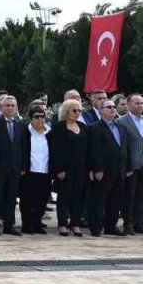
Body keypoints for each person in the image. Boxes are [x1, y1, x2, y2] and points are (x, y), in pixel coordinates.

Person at [117, 94, 143, 235]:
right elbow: (122, 146)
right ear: (128, 104)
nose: (140, 105)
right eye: (137, 103)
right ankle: (128, 224)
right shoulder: (121, 121)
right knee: (129, 195)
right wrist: (126, 166)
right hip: (132, 165)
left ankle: (139, 222)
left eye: (142, 103)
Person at [86, 99, 129, 237]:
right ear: (101, 110)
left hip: (120, 170)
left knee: (115, 200)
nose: (112, 109)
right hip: (104, 170)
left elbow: (124, 148)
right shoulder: (94, 127)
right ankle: (96, 227)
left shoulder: (120, 127)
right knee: (99, 200)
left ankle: (111, 226)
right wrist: (97, 169)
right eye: (108, 107)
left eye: (114, 107)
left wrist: (127, 166)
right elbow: (94, 150)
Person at [49, 99, 88, 237]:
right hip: (65, 169)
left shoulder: (83, 127)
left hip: (81, 168)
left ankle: (75, 224)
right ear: (66, 111)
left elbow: (87, 150)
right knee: (64, 197)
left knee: (78, 197)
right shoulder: (59, 128)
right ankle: (63, 224)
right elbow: (55, 151)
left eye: (79, 110)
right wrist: (58, 170)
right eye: (74, 110)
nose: (77, 113)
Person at [0, 95, 23, 236]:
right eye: (7, 105)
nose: (10, 108)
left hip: (14, 168)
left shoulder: (20, 125)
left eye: (12, 105)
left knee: (11, 198)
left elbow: (23, 147)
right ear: (1, 107)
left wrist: (22, 166)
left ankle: (9, 224)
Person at [18, 106, 51, 234]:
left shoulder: (49, 132)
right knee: (27, 200)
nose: (40, 119)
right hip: (29, 171)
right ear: (31, 118)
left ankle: (37, 223)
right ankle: (27, 225)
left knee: (42, 200)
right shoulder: (25, 132)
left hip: (45, 171)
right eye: (36, 117)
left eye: (42, 116)